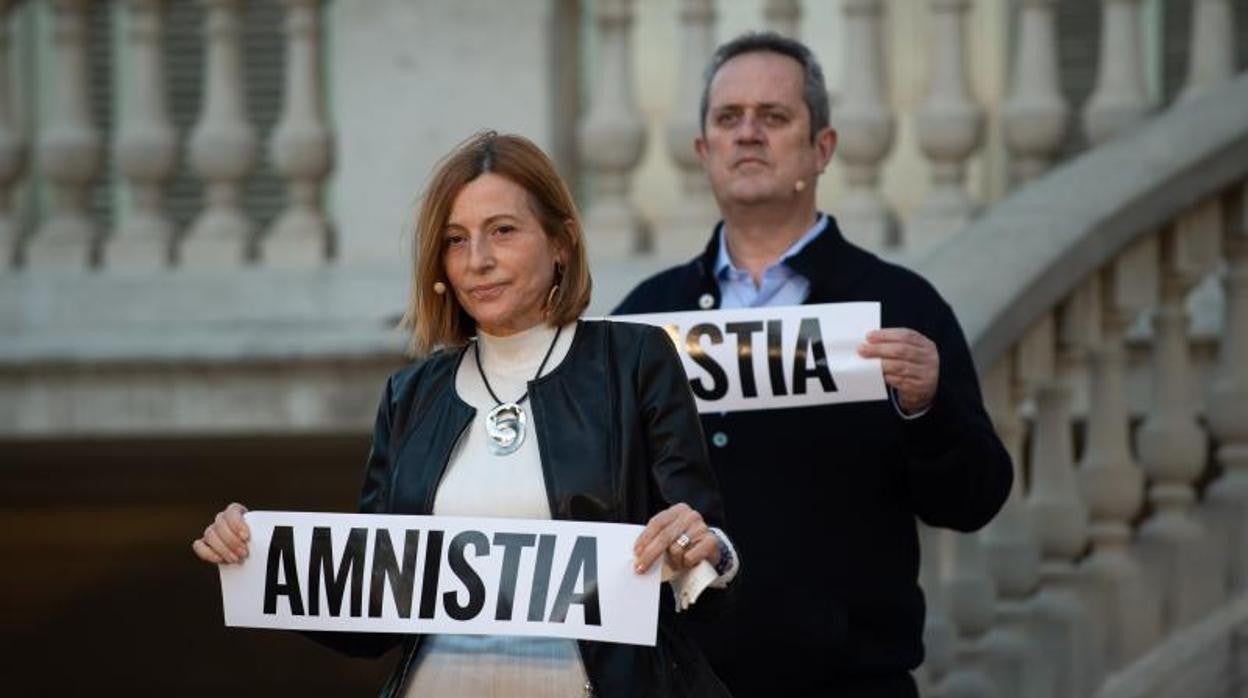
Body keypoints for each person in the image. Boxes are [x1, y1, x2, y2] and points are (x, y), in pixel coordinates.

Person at [193, 131, 739, 698]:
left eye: (502, 231)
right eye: (456, 240)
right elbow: (371, 612)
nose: (478, 261)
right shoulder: (410, 395)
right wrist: (257, 554)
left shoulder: (634, 361)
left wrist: (709, 551)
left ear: (562, 244)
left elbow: (706, 555)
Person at [613, 32, 1013, 698]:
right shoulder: (645, 319)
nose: (748, 135)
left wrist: (927, 405)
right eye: (728, 119)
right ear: (703, 152)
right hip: (681, 683)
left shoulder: (899, 306)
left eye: (773, 118)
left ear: (821, 149)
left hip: (851, 683)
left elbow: (975, 500)